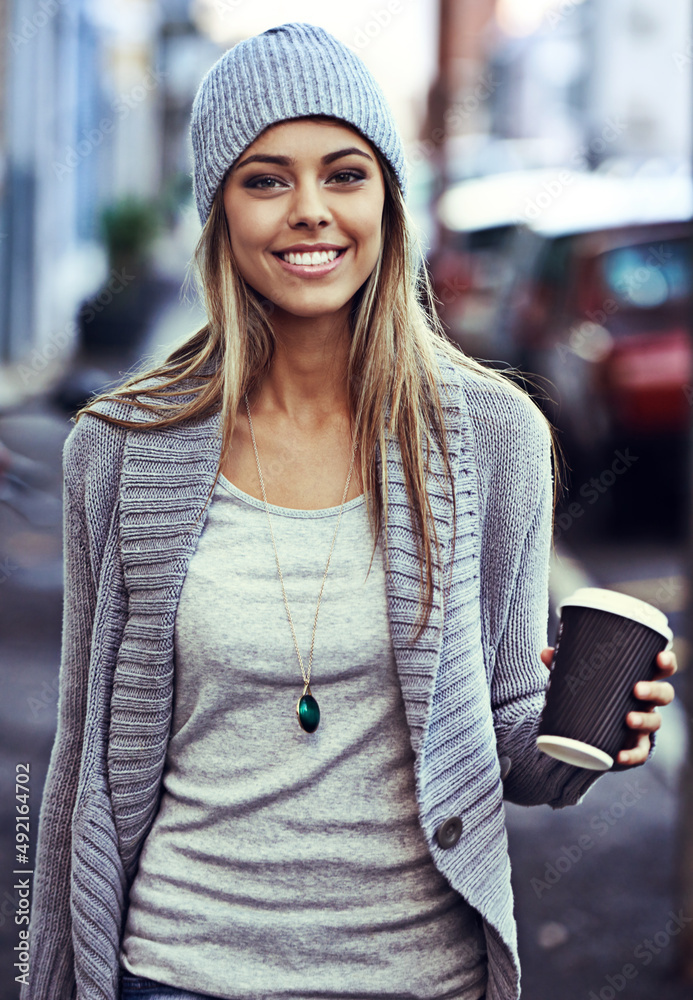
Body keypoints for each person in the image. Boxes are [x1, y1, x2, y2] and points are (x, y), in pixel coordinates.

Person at [21, 22, 677, 1000]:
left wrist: (591, 739)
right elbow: (80, 761)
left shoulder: (493, 438)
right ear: (218, 210)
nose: (311, 212)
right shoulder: (121, 448)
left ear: (388, 200)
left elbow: (503, 738)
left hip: (416, 975)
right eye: (265, 179)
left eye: (344, 173)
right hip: (179, 971)